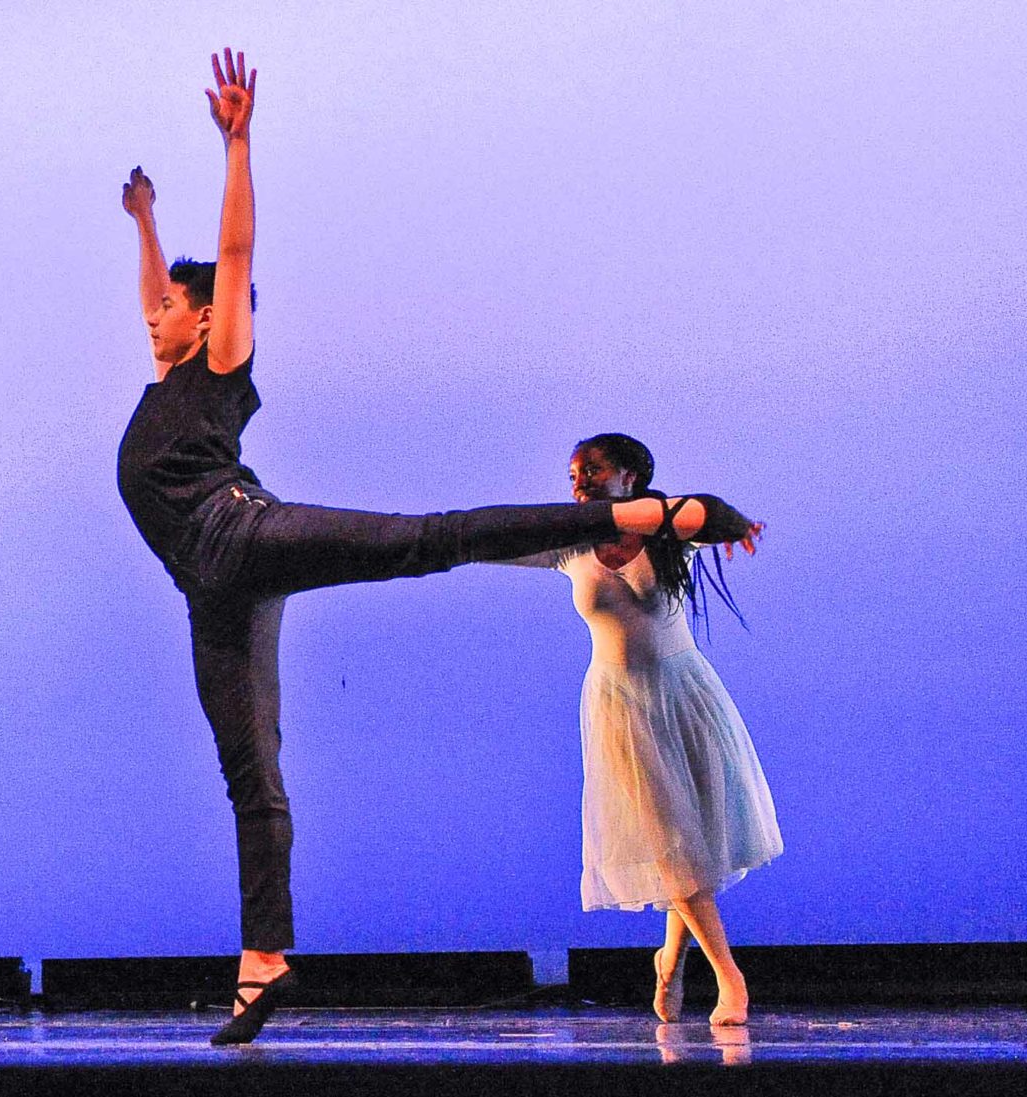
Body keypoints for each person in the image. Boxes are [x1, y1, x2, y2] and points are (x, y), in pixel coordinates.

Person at [113, 49, 764, 1045]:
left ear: (205, 322)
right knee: (250, 768)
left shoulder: (215, 367)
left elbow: (229, 262)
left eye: (167, 304)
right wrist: (146, 225)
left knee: (428, 540)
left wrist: (237, 146)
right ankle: (263, 959)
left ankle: (639, 515)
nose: (149, 309)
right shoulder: (167, 378)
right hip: (205, 588)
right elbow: (164, 289)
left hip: (240, 532)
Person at [503, 433, 780, 1026]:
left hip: (684, 691)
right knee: (669, 838)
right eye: (573, 474)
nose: (579, 482)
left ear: (629, 476)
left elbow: (712, 515)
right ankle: (731, 981)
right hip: (621, 704)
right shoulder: (568, 545)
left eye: (593, 470)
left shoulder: (665, 530)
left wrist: (737, 527)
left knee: (695, 835)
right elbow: (497, 543)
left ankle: (671, 960)